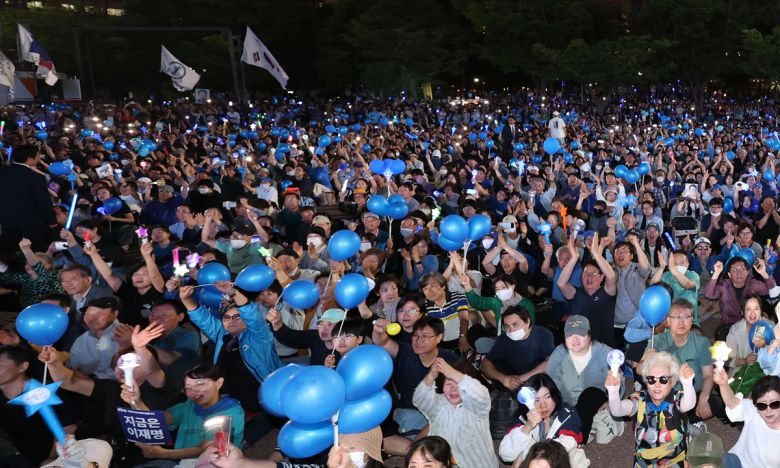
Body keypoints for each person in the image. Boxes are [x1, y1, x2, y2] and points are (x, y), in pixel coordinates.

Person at [179, 283, 281, 412]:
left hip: (261, 400)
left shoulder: (259, 335)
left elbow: (252, 315)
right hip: (229, 401)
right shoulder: (223, 335)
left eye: (237, 317)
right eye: (226, 318)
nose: (231, 321)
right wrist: (186, 299)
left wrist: (233, 292)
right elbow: (203, 319)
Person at [120, 363, 244, 466]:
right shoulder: (190, 405)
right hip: (182, 462)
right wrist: (136, 401)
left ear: (219, 383)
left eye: (200, 384)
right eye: (188, 387)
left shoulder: (231, 412)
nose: (193, 391)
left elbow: (206, 450)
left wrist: (161, 453)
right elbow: (156, 421)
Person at [606, 351, 697, 467]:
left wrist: (688, 384)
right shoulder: (639, 399)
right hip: (644, 462)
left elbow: (689, 404)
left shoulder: (676, 398)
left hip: (673, 461)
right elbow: (616, 410)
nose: (657, 385)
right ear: (646, 381)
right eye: (651, 379)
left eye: (663, 379)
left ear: (672, 382)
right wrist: (613, 391)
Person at [546, 315, 622, 444]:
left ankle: (576, 440)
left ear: (589, 335)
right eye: (569, 335)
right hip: (567, 403)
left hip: (594, 401)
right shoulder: (559, 353)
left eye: (580, 334)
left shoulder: (606, 354)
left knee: (590, 394)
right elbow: (550, 383)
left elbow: (619, 384)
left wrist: (611, 401)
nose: (574, 339)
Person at [0, 345, 78, 467]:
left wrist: (52, 459)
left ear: (23, 366)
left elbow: (68, 428)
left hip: (58, 459)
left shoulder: (47, 391)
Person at [413, 358, 498, 468]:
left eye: (458, 384)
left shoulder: (477, 407)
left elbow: (480, 394)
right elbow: (419, 399)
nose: (453, 389)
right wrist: (431, 375)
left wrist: (451, 373)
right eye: (448, 384)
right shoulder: (438, 404)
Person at [641, 299, 715, 423]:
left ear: (692, 320)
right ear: (668, 321)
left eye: (686, 317)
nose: (681, 322)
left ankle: (682, 421)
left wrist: (703, 398)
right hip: (665, 392)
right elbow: (640, 370)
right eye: (676, 317)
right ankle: (686, 423)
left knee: (715, 404)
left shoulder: (701, 342)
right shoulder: (658, 341)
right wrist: (646, 360)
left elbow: (708, 375)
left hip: (692, 392)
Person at [499, 374, 584, 464]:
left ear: (555, 395)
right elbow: (506, 454)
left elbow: (566, 446)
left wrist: (527, 454)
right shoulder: (522, 417)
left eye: (547, 397)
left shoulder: (568, 415)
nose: (543, 405)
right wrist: (527, 427)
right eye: (537, 400)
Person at [557, 233, 618, 348]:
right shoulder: (576, 294)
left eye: (594, 273)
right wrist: (574, 258)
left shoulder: (607, 294)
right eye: (585, 273)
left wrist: (596, 252)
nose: (589, 277)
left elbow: (611, 277)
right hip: (581, 347)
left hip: (604, 347)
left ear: (601, 277)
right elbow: (561, 284)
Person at [713, 371, 780, 468]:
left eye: (774, 404)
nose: (768, 411)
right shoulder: (754, 412)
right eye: (762, 405)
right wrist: (723, 385)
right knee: (720, 460)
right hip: (738, 462)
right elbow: (733, 403)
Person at [481, 305, 554, 391]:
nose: (511, 330)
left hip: (535, 379)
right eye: (507, 326)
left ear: (527, 322)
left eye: (515, 324)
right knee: (497, 365)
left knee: (539, 365)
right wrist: (504, 379)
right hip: (512, 380)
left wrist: (521, 379)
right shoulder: (503, 339)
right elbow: (485, 363)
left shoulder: (543, 334)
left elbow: (551, 362)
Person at [0, 144, 58, 251]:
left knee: (8, 250)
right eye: (38, 155)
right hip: (31, 223)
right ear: (30, 159)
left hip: (5, 219)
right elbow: (43, 201)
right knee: (32, 252)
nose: (39, 158)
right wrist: (51, 220)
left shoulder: (2, 172)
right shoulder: (36, 177)